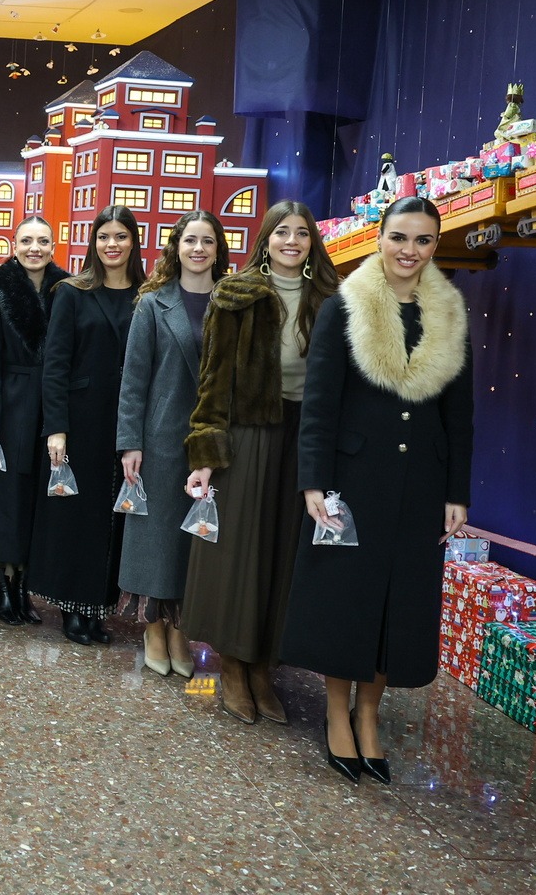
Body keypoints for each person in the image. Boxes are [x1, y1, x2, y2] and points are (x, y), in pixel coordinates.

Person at [282, 197, 472, 784]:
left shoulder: (449, 313)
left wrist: (457, 491)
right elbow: (319, 405)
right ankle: (337, 713)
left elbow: (460, 413)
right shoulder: (345, 306)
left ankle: (369, 715)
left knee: (399, 602)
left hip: (421, 487)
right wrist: (314, 481)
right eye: (399, 237)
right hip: (353, 482)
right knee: (348, 598)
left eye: (423, 240)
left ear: (435, 246)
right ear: (379, 238)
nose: (409, 251)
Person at [184, 201, 338, 725]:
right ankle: (232, 666)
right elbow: (213, 379)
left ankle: (263, 668)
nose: (292, 241)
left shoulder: (331, 299)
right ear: (266, 239)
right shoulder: (237, 294)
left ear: (312, 242)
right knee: (238, 552)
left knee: (283, 553)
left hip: (304, 437)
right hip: (249, 433)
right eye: (282, 232)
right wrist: (206, 454)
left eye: (302, 233)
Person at [115, 211, 226, 677]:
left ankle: (183, 629)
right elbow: (133, 379)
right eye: (190, 240)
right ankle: (153, 629)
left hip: (213, 443)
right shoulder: (152, 303)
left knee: (193, 541)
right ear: (176, 248)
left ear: (218, 250)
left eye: (207, 241)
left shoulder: (231, 302)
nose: (198, 249)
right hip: (160, 438)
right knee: (155, 538)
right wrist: (130, 442)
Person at [33, 206, 145, 645]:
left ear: (133, 241)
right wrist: (56, 428)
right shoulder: (72, 292)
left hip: (128, 421)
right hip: (80, 420)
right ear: (93, 243)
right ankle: (71, 607)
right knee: (76, 517)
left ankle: (99, 607)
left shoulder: (147, 294)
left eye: (120, 236)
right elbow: (55, 364)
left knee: (113, 516)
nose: (111, 245)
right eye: (103, 237)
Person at [0, 215, 67, 626]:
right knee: (3, 499)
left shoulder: (66, 289)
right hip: (8, 406)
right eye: (26, 241)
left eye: (42, 241)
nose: (34, 249)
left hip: (50, 405)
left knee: (37, 499)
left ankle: (24, 583)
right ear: (14, 245)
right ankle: (1, 585)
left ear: (53, 247)